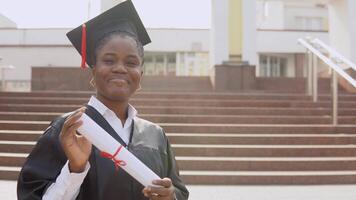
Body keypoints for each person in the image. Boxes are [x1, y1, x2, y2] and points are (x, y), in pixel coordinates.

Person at [16, 1, 189, 199]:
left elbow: (179, 192)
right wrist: (76, 168)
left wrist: (170, 196)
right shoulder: (70, 129)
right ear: (94, 70)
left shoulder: (155, 135)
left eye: (131, 62)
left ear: (140, 74)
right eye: (109, 60)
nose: (120, 68)